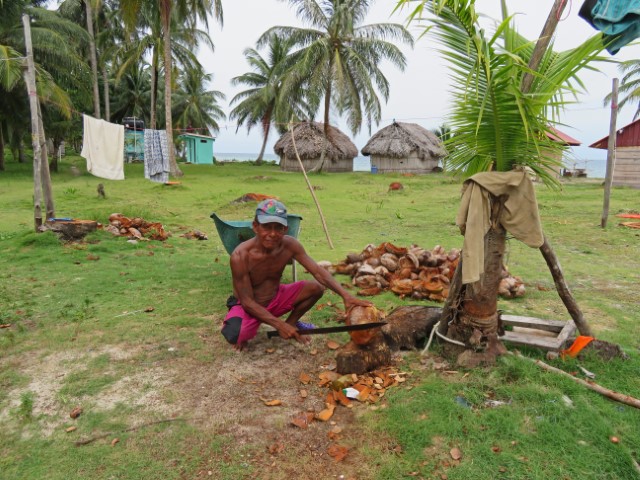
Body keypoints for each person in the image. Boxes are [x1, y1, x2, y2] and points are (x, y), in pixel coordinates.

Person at [221, 199, 371, 351]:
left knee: (317, 287)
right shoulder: (240, 256)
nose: (272, 234)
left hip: (276, 298)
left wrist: (346, 296)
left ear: (285, 229)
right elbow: (247, 301)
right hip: (249, 307)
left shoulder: (290, 245)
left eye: (278, 228)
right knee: (235, 334)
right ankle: (251, 325)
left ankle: (292, 323)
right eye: (266, 227)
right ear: (255, 226)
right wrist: (279, 325)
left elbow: (318, 272)